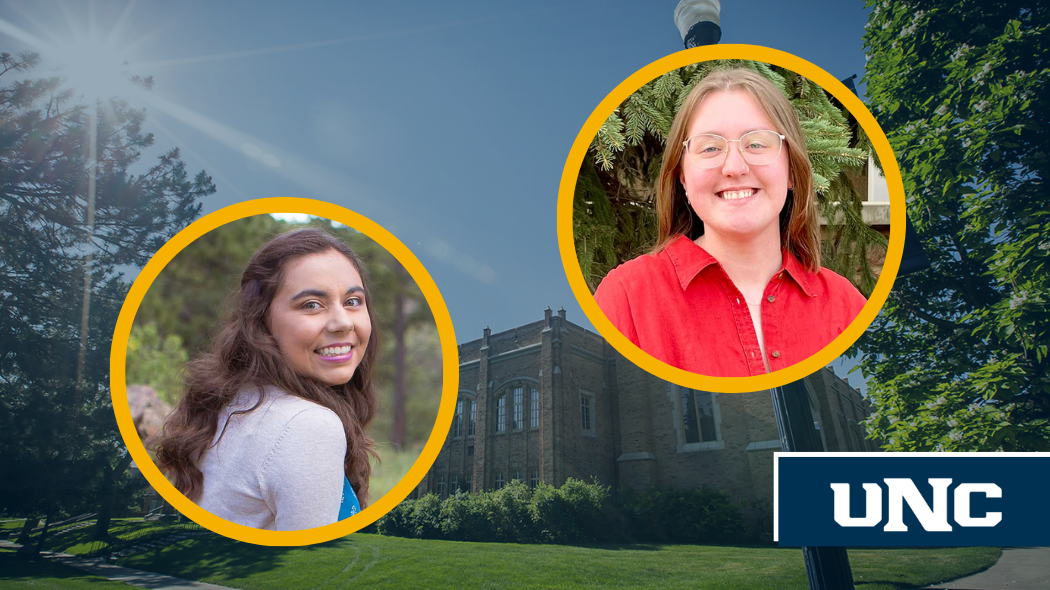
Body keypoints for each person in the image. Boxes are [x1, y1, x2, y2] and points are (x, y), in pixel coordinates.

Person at [594, 67, 866, 377]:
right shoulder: (626, 299)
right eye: (710, 147)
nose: (734, 167)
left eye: (757, 144)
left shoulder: (845, 305)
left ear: (792, 171)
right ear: (682, 176)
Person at [153, 227, 378, 530]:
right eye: (312, 304)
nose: (342, 323)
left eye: (352, 301)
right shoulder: (308, 425)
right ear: (261, 321)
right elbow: (313, 571)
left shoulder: (232, 399)